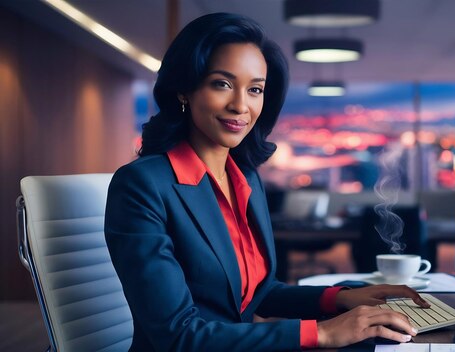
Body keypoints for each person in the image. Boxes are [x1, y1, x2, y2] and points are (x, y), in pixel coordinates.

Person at [105, 12, 428, 351]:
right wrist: (324, 333)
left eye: (255, 89)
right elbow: (179, 336)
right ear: (184, 90)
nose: (240, 105)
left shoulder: (245, 179)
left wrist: (342, 299)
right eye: (222, 84)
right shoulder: (142, 185)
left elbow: (258, 293)